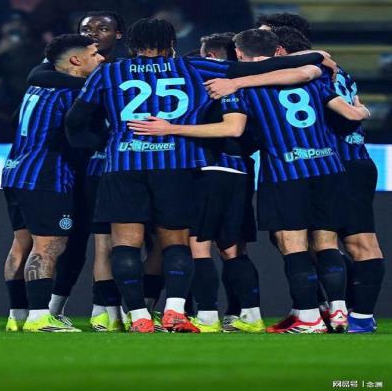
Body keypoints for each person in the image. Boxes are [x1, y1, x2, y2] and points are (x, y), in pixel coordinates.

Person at [65, 18, 327, 333]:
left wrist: (104, 143)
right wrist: (315, 57)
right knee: (176, 242)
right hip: (177, 165)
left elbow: (76, 120)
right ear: (171, 43)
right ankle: (175, 311)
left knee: (125, 244)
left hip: (125, 164)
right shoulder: (193, 67)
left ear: (131, 45)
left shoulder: (108, 72)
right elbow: (252, 69)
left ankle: (139, 315)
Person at [129, 29, 371, 333]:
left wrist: (171, 128)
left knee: (292, 245)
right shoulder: (312, 76)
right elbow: (350, 113)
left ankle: (307, 317)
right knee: (325, 243)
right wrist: (361, 107)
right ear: (277, 50)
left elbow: (233, 129)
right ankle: (337, 312)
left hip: (285, 171)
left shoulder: (238, 87)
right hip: (328, 168)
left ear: (239, 54)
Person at [271, 25, 385, 334]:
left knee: (332, 241)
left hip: (334, 163)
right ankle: (344, 312)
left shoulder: (308, 72)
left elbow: (348, 112)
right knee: (326, 240)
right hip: (355, 159)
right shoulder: (339, 71)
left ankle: (349, 313)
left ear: (281, 50)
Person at [1, 34, 104, 332]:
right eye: (94, 54)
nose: (100, 59)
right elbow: (78, 137)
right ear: (75, 60)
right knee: (50, 245)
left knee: (21, 244)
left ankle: (17, 315)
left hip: (15, 170)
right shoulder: (72, 94)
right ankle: (39, 316)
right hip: (47, 176)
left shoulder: (37, 87)